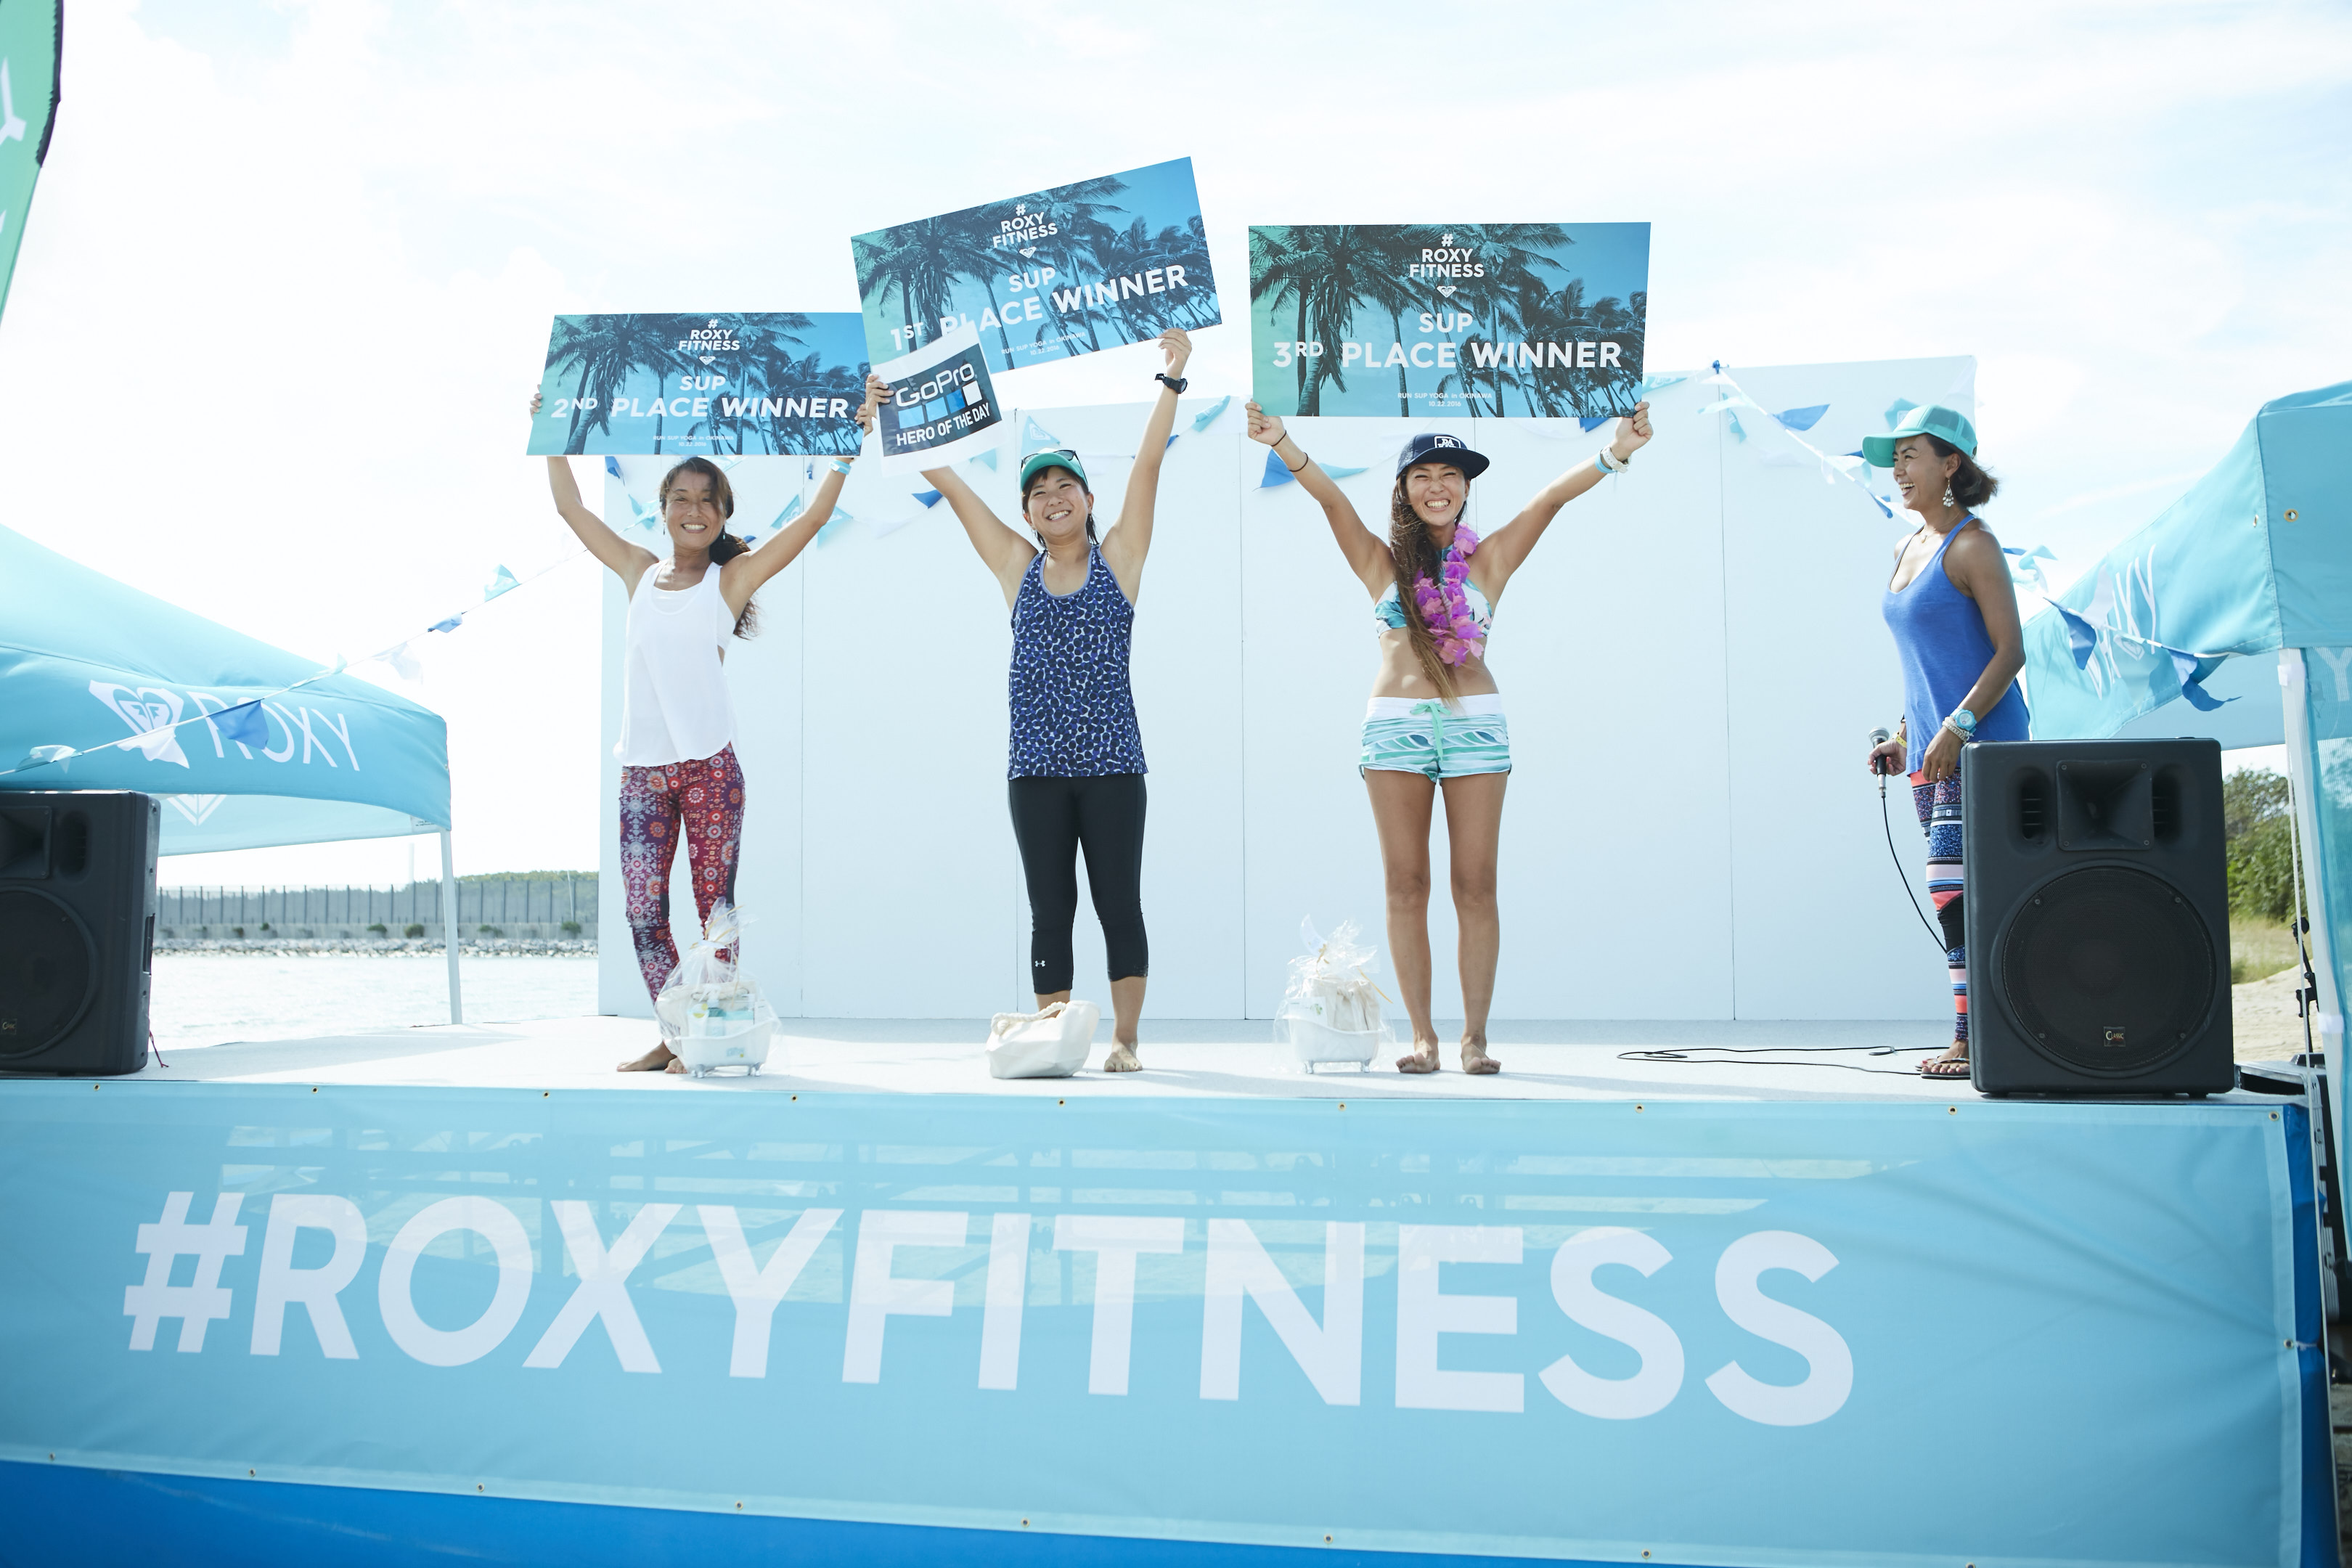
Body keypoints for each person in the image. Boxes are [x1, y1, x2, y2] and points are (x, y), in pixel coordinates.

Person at [1244, 399, 1654, 1074]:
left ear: (1466, 489)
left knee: (1476, 886)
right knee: (1406, 886)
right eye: (1423, 475)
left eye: (1451, 475)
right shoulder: (1380, 565)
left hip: (1475, 728)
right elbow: (1331, 500)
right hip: (1395, 730)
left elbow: (1549, 501)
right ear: (1404, 489)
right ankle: (1423, 1037)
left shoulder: (1487, 562)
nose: (1438, 486)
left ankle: (1475, 1038)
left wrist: (1618, 452)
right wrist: (1282, 441)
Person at [871, 329, 1192, 1071]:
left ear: (1087, 499)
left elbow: (1148, 466)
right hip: (1037, 770)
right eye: (1038, 492)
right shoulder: (1015, 566)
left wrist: (1172, 381)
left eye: (1064, 486)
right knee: (1051, 910)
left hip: (1114, 767)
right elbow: (953, 486)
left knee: (1119, 904)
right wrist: (890, 416)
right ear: (1026, 514)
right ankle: (1055, 1037)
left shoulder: (1120, 560)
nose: (1053, 498)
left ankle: (1126, 1039)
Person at [531, 391, 861, 1071]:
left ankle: (710, 1038)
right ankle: (677, 1036)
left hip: (710, 768)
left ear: (723, 515)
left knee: (715, 914)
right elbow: (570, 509)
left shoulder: (731, 579)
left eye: (708, 500)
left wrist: (846, 452)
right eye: (681, 497)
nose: (694, 509)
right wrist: (551, 430)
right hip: (642, 771)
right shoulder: (637, 570)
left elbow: (814, 518)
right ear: (663, 509)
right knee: (643, 913)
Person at [1863, 405, 2027, 1080]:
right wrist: (1906, 735)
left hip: (1983, 748)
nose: (1898, 470)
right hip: (1933, 753)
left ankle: (1970, 1040)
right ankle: (1985, 1031)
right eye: (1895, 459)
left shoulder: (1973, 545)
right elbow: (1925, 662)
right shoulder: (1906, 549)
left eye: (1911, 456)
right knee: (1960, 894)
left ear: (1950, 464)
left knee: (1952, 889)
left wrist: (1958, 727)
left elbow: (2010, 651)